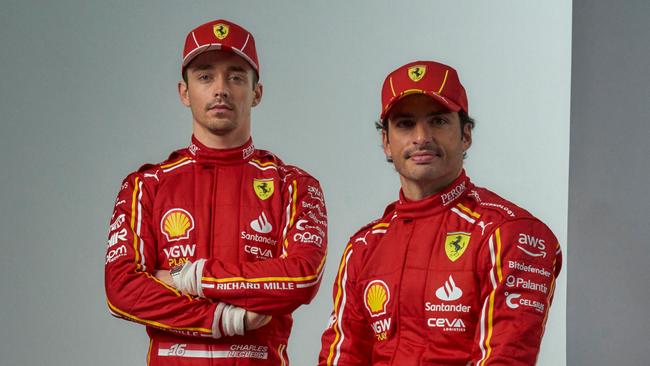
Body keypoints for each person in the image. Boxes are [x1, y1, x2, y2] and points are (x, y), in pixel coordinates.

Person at [104, 19, 328, 365]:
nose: (220, 89)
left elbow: (300, 278)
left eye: (236, 77)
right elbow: (123, 289)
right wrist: (224, 319)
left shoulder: (295, 186)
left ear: (257, 93)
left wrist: (188, 277)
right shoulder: (145, 186)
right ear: (184, 92)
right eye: (205, 77)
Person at [319, 60, 562, 365]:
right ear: (386, 142)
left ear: (466, 135)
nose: (421, 137)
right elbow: (342, 356)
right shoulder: (364, 248)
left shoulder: (511, 233)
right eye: (405, 124)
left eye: (438, 121)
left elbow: (505, 358)